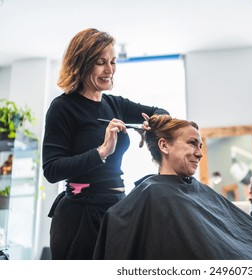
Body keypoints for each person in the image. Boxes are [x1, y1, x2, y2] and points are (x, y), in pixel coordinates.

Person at [93, 115, 252, 260]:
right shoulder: (155, 194)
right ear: (164, 145)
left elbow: (242, 235)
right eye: (192, 143)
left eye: (201, 145)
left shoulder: (193, 189)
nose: (199, 153)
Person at [42, 28, 169, 260]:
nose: (109, 70)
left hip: (116, 207)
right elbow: (51, 169)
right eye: (101, 62)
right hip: (80, 215)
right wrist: (101, 152)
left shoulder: (114, 104)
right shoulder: (63, 107)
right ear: (81, 63)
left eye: (112, 61)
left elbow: (159, 112)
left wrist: (152, 125)